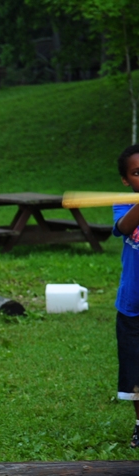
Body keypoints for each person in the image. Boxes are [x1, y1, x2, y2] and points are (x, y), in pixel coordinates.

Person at [113, 144, 139, 448]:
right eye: (136, 173)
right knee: (135, 377)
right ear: (125, 180)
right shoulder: (123, 203)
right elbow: (123, 227)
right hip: (132, 306)